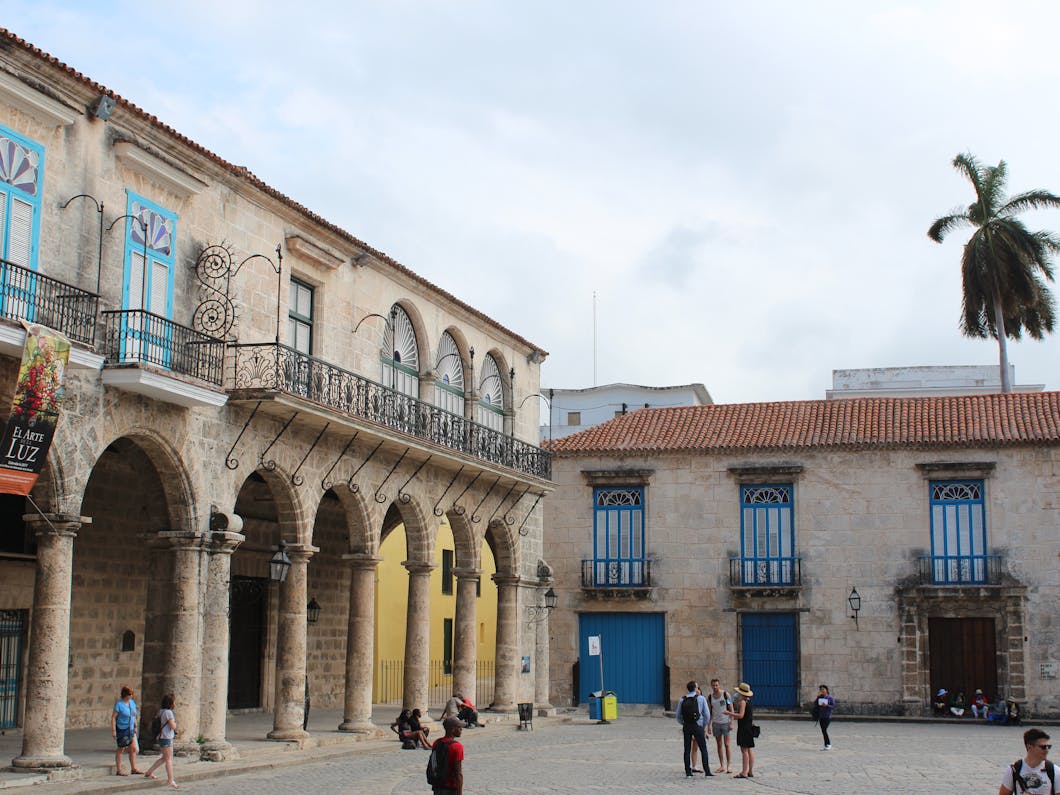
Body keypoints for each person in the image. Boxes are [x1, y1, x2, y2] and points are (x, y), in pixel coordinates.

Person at [998, 727, 1057, 794]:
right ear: (1029, 747)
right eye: (1043, 747)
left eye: (1049, 747)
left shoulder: (1054, 771)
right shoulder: (1013, 770)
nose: (1047, 750)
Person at [676, 680, 712, 778]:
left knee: (687, 749)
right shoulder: (701, 698)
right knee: (703, 748)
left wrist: (684, 723)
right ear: (695, 688)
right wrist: (703, 725)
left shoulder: (682, 699)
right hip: (698, 726)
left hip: (687, 726)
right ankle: (707, 771)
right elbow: (707, 715)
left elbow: (678, 716)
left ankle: (688, 772)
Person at [143, 693, 178, 788]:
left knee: (164, 758)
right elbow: (172, 726)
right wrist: (175, 724)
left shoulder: (161, 711)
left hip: (161, 737)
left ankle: (149, 772)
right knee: (169, 760)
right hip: (167, 738)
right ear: (171, 703)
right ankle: (171, 780)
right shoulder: (168, 713)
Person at [111, 685, 144, 776]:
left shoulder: (132, 703)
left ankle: (134, 768)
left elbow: (134, 715)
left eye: (132, 694)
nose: (131, 696)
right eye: (130, 694)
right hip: (122, 728)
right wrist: (113, 730)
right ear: (125, 694)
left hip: (131, 728)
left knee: (133, 748)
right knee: (121, 748)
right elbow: (113, 717)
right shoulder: (119, 705)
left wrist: (135, 725)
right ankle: (119, 770)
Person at [728, 682, 755, 779]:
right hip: (748, 727)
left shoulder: (743, 702)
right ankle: (750, 771)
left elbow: (741, 715)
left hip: (744, 728)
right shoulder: (749, 701)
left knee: (744, 750)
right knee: (749, 749)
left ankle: (744, 772)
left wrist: (729, 713)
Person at [431, 716, 465, 795]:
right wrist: (460, 793)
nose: (461, 729)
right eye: (459, 727)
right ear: (452, 729)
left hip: (438, 785)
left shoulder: (436, 742)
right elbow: (458, 773)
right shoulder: (457, 746)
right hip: (450, 787)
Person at [707, 679, 733, 774]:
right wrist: (708, 725)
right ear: (711, 686)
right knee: (719, 745)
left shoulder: (726, 695)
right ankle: (722, 765)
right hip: (716, 723)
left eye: (716, 685)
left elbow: (731, 708)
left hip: (725, 722)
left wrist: (731, 722)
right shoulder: (710, 697)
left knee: (727, 744)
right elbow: (709, 712)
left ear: (719, 685)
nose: (715, 687)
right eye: (713, 685)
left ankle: (729, 765)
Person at [816, 685, 836, 750]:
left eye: (823, 689)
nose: (822, 691)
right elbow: (815, 704)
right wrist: (818, 697)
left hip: (827, 716)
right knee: (823, 731)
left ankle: (828, 744)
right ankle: (826, 745)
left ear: (826, 690)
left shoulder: (830, 697)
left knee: (824, 730)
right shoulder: (820, 697)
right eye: (821, 690)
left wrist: (827, 705)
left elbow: (833, 707)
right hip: (821, 716)